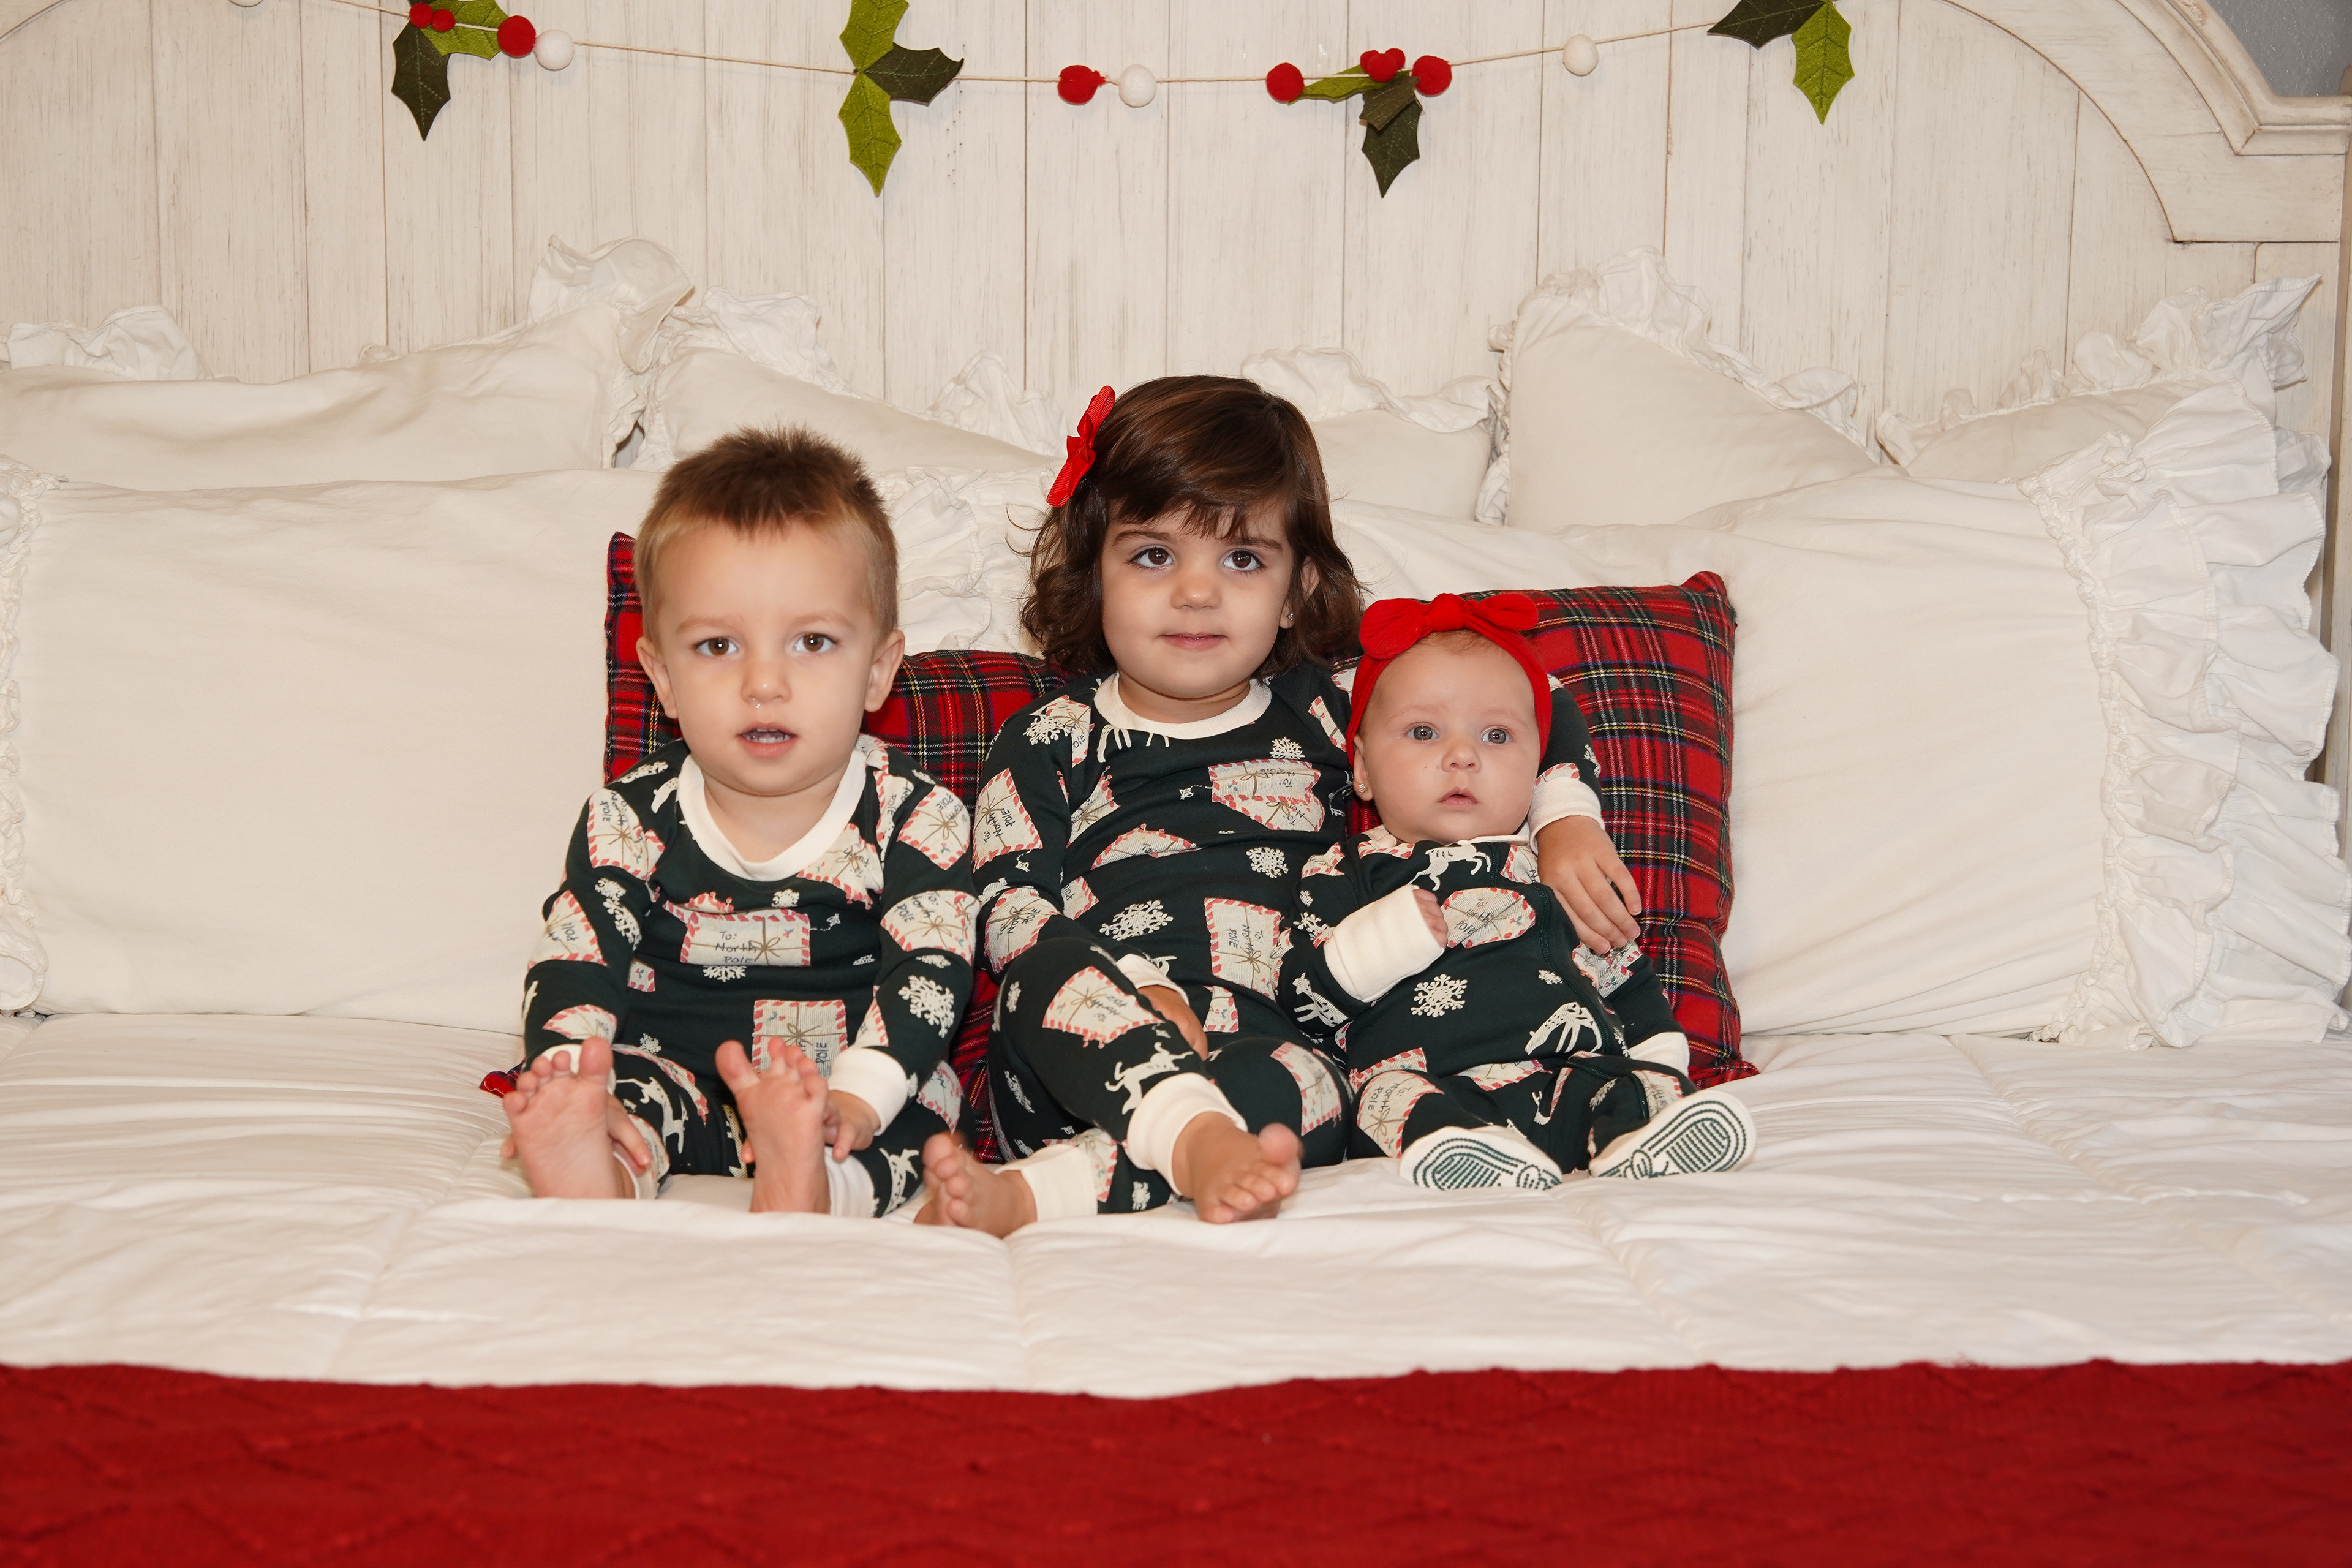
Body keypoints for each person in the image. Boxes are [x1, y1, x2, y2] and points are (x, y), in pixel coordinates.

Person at [918, 377, 1644, 1235]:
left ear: (1297, 588)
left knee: (1317, 1090)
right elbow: (1009, 909)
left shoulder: (1329, 714)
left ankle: (1039, 1194)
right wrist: (1135, 987)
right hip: (1086, 1045)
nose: (1197, 592)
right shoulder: (1050, 735)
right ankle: (1151, 1138)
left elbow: (1526, 690)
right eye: (1153, 556)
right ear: (1094, 573)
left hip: (1264, 1047)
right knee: (1042, 971)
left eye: (1242, 560)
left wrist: (1563, 817)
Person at [497, 428, 975, 1217]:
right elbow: (577, 956)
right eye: (718, 645)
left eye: (812, 641)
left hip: (846, 1085)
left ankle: (815, 1181)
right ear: (662, 677)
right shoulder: (629, 817)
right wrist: (572, 1071)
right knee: (625, 1092)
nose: (764, 683)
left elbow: (931, 971)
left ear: (878, 669)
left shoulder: (917, 815)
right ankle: (598, 1166)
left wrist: (857, 1098)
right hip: (673, 1072)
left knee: (930, 1106)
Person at [1281, 594, 1757, 1191]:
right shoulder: (1344, 871)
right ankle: (1469, 1152)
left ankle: (1641, 1132)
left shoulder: (1552, 866)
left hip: (1570, 1076)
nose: (1462, 756)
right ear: (1364, 769)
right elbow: (1302, 1000)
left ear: (1537, 769)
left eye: (1497, 735)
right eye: (1423, 732)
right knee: (1384, 1100)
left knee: (1637, 1082)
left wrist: (1661, 1065)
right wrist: (1383, 942)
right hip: (1431, 1082)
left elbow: (1627, 975)